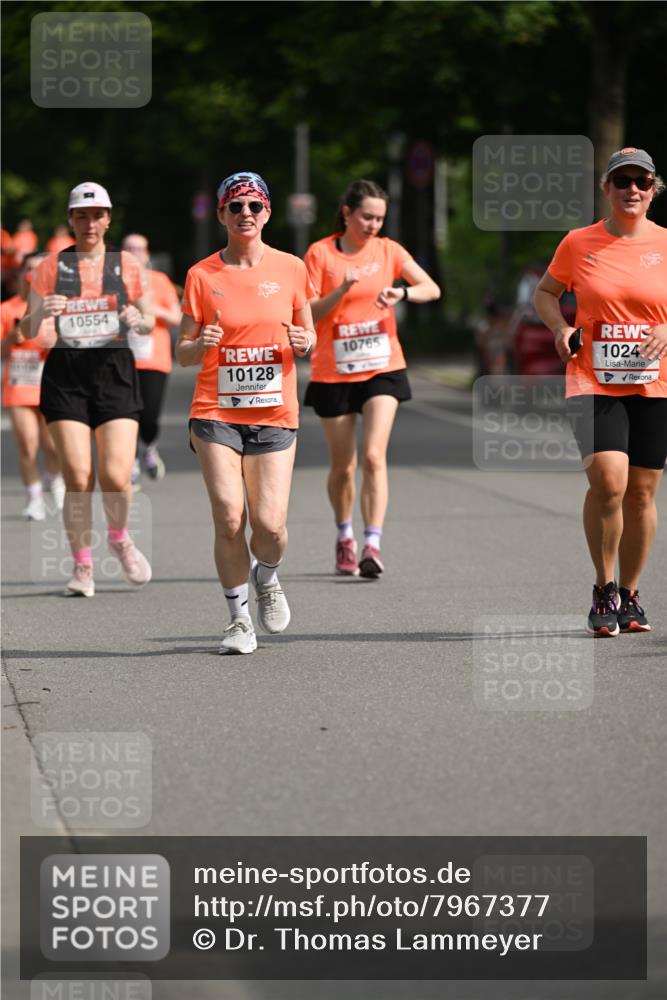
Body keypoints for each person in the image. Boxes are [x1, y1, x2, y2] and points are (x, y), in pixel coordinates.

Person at [176, 171, 315, 654]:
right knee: (230, 517)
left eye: (255, 206)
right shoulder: (201, 275)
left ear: (268, 212)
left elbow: (309, 333)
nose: (246, 215)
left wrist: (306, 340)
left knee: (270, 527)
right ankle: (238, 621)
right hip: (215, 410)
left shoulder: (292, 268)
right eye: (235, 207)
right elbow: (182, 352)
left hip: (275, 413)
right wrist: (200, 344)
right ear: (221, 214)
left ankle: (268, 577)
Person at [534, 147, 667, 636]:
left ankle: (630, 594)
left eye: (642, 181)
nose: (632, 189)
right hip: (592, 377)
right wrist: (558, 328)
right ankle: (603, 586)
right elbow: (546, 292)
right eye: (623, 181)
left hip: (656, 382)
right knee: (609, 482)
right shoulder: (579, 242)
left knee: (642, 494)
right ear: (606, 189)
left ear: (654, 190)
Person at [20, 182, 155, 597]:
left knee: (115, 474)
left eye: (97, 215)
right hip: (67, 374)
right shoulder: (50, 267)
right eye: (82, 215)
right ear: (71, 220)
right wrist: (44, 308)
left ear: (108, 219)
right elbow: (27, 328)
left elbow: (150, 321)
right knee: (78, 475)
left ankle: (118, 537)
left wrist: (136, 317)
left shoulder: (127, 265)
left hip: (114, 370)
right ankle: (82, 567)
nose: (90, 223)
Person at [304, 179, 440, 578]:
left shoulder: (389, 250)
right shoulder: (320, 254)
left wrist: (403, 294)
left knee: (374, 456)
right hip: (334, 371)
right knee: (343, 466)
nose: (373, 225)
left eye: (379, 218)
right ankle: (344, 535)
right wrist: (341, 290)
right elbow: (308, 311)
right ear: (347, 213)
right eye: (367, 216)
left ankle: (372, 544)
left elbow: (431, 288)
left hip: (382, 366)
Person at [1, 253, 64, 519]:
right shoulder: (7, 309)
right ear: (21, 273)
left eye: (39, 269)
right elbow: (1, 350)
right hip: (19, 385)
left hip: (51, 384)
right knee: (27, 444)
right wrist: (12, 339)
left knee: (52, 445)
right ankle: (34, 497)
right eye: (29, 268)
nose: (33, 273)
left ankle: (55, 480)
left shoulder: (58, 308)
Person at [122, 233, 181, 482]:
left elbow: (176, 317)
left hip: (154, 358)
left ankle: (149, 447)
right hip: (121, 358)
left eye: (139, 248)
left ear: (147, 254)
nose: (135, 252)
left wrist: (148, 310)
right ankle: (130, 460)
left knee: (149, 416)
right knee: (125, 415)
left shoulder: (159, 281)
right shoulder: (111, 281)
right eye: (129, 248)